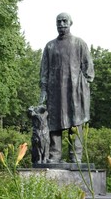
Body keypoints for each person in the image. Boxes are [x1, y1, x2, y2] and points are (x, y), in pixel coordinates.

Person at [39, 12, 94, 163]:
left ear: (71, 23)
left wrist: (83, 85)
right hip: (55, 91)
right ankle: (54, 155)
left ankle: (76, 156)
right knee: (54, 123)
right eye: (59, 21)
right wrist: (43, 89)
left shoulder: (79, 43)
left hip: (75, 91)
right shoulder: (50, 46)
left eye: (64, 21)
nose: (61, 24)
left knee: (76, 122)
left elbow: (88, 68)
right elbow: (44, 70)